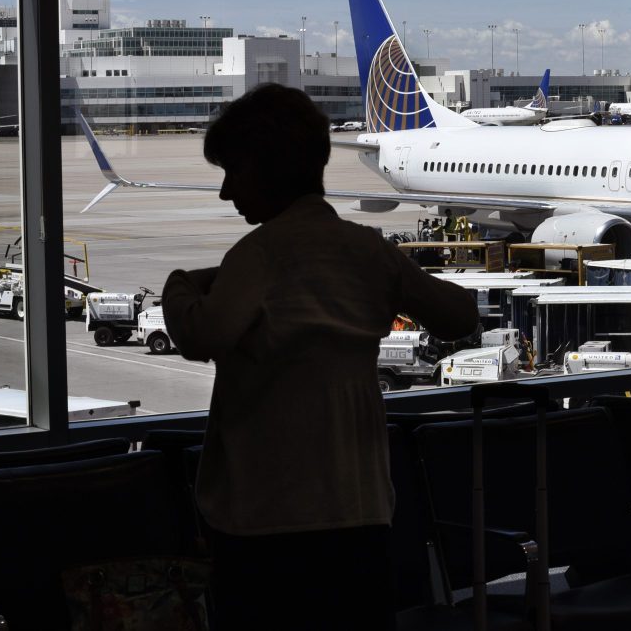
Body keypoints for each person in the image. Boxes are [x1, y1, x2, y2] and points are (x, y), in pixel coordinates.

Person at [161, 84, 478, 630]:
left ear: (264, 168)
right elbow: (459, 315)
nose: (225, 193)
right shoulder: (367, 250)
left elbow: (199, 335)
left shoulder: (258, 254)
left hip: (265, 520)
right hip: (361, 512)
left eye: (232, 172)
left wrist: (181, 285)